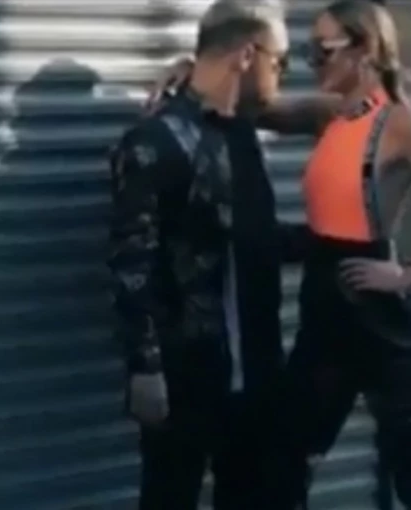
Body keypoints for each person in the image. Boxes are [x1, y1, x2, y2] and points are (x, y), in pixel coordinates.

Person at [147, 2, 411, 509]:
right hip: (325, 304)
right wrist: (194, 67)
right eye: (306, 50)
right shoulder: (330, 114)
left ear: (364, 50)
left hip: (380, 309)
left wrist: (409, 277)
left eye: (323, 51)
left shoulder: (398, 123)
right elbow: (252, 102)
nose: (311, 62)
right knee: (281, 463)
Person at [107, 3, 305, 509]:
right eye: (280, 61)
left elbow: (251, 236)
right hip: (187, 371)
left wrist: (341, 244)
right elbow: (132, 258)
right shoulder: (157, 140)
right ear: (248, 55)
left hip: (257, 372)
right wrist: (144, 365)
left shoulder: (240, 134)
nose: (283, 73)